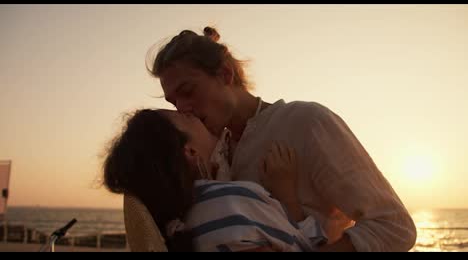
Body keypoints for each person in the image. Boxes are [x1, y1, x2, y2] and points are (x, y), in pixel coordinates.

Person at [145, 26, 417, 252]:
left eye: (188, 91)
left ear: (225, 74)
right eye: (173, 101)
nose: (182, 108)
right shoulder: (212, 152)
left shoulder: (305, 121)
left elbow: (393, 227)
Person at [102, 109, 327, 252]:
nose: (195, 115)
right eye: (189, 118)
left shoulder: (174, 225)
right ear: (189, 152)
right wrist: (286, 193)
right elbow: (307, 245)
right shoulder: (234, 201)